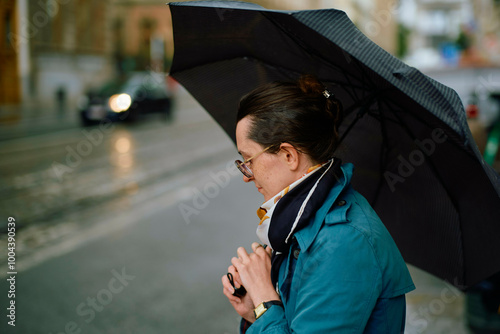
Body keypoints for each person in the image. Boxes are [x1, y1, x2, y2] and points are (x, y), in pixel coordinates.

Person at [221, 75, 415, 333]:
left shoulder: (342, 241)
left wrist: (265, 298)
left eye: (248, 160)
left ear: (289, 155)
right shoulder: (307, 219)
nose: (248, 175)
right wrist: (254, 311)